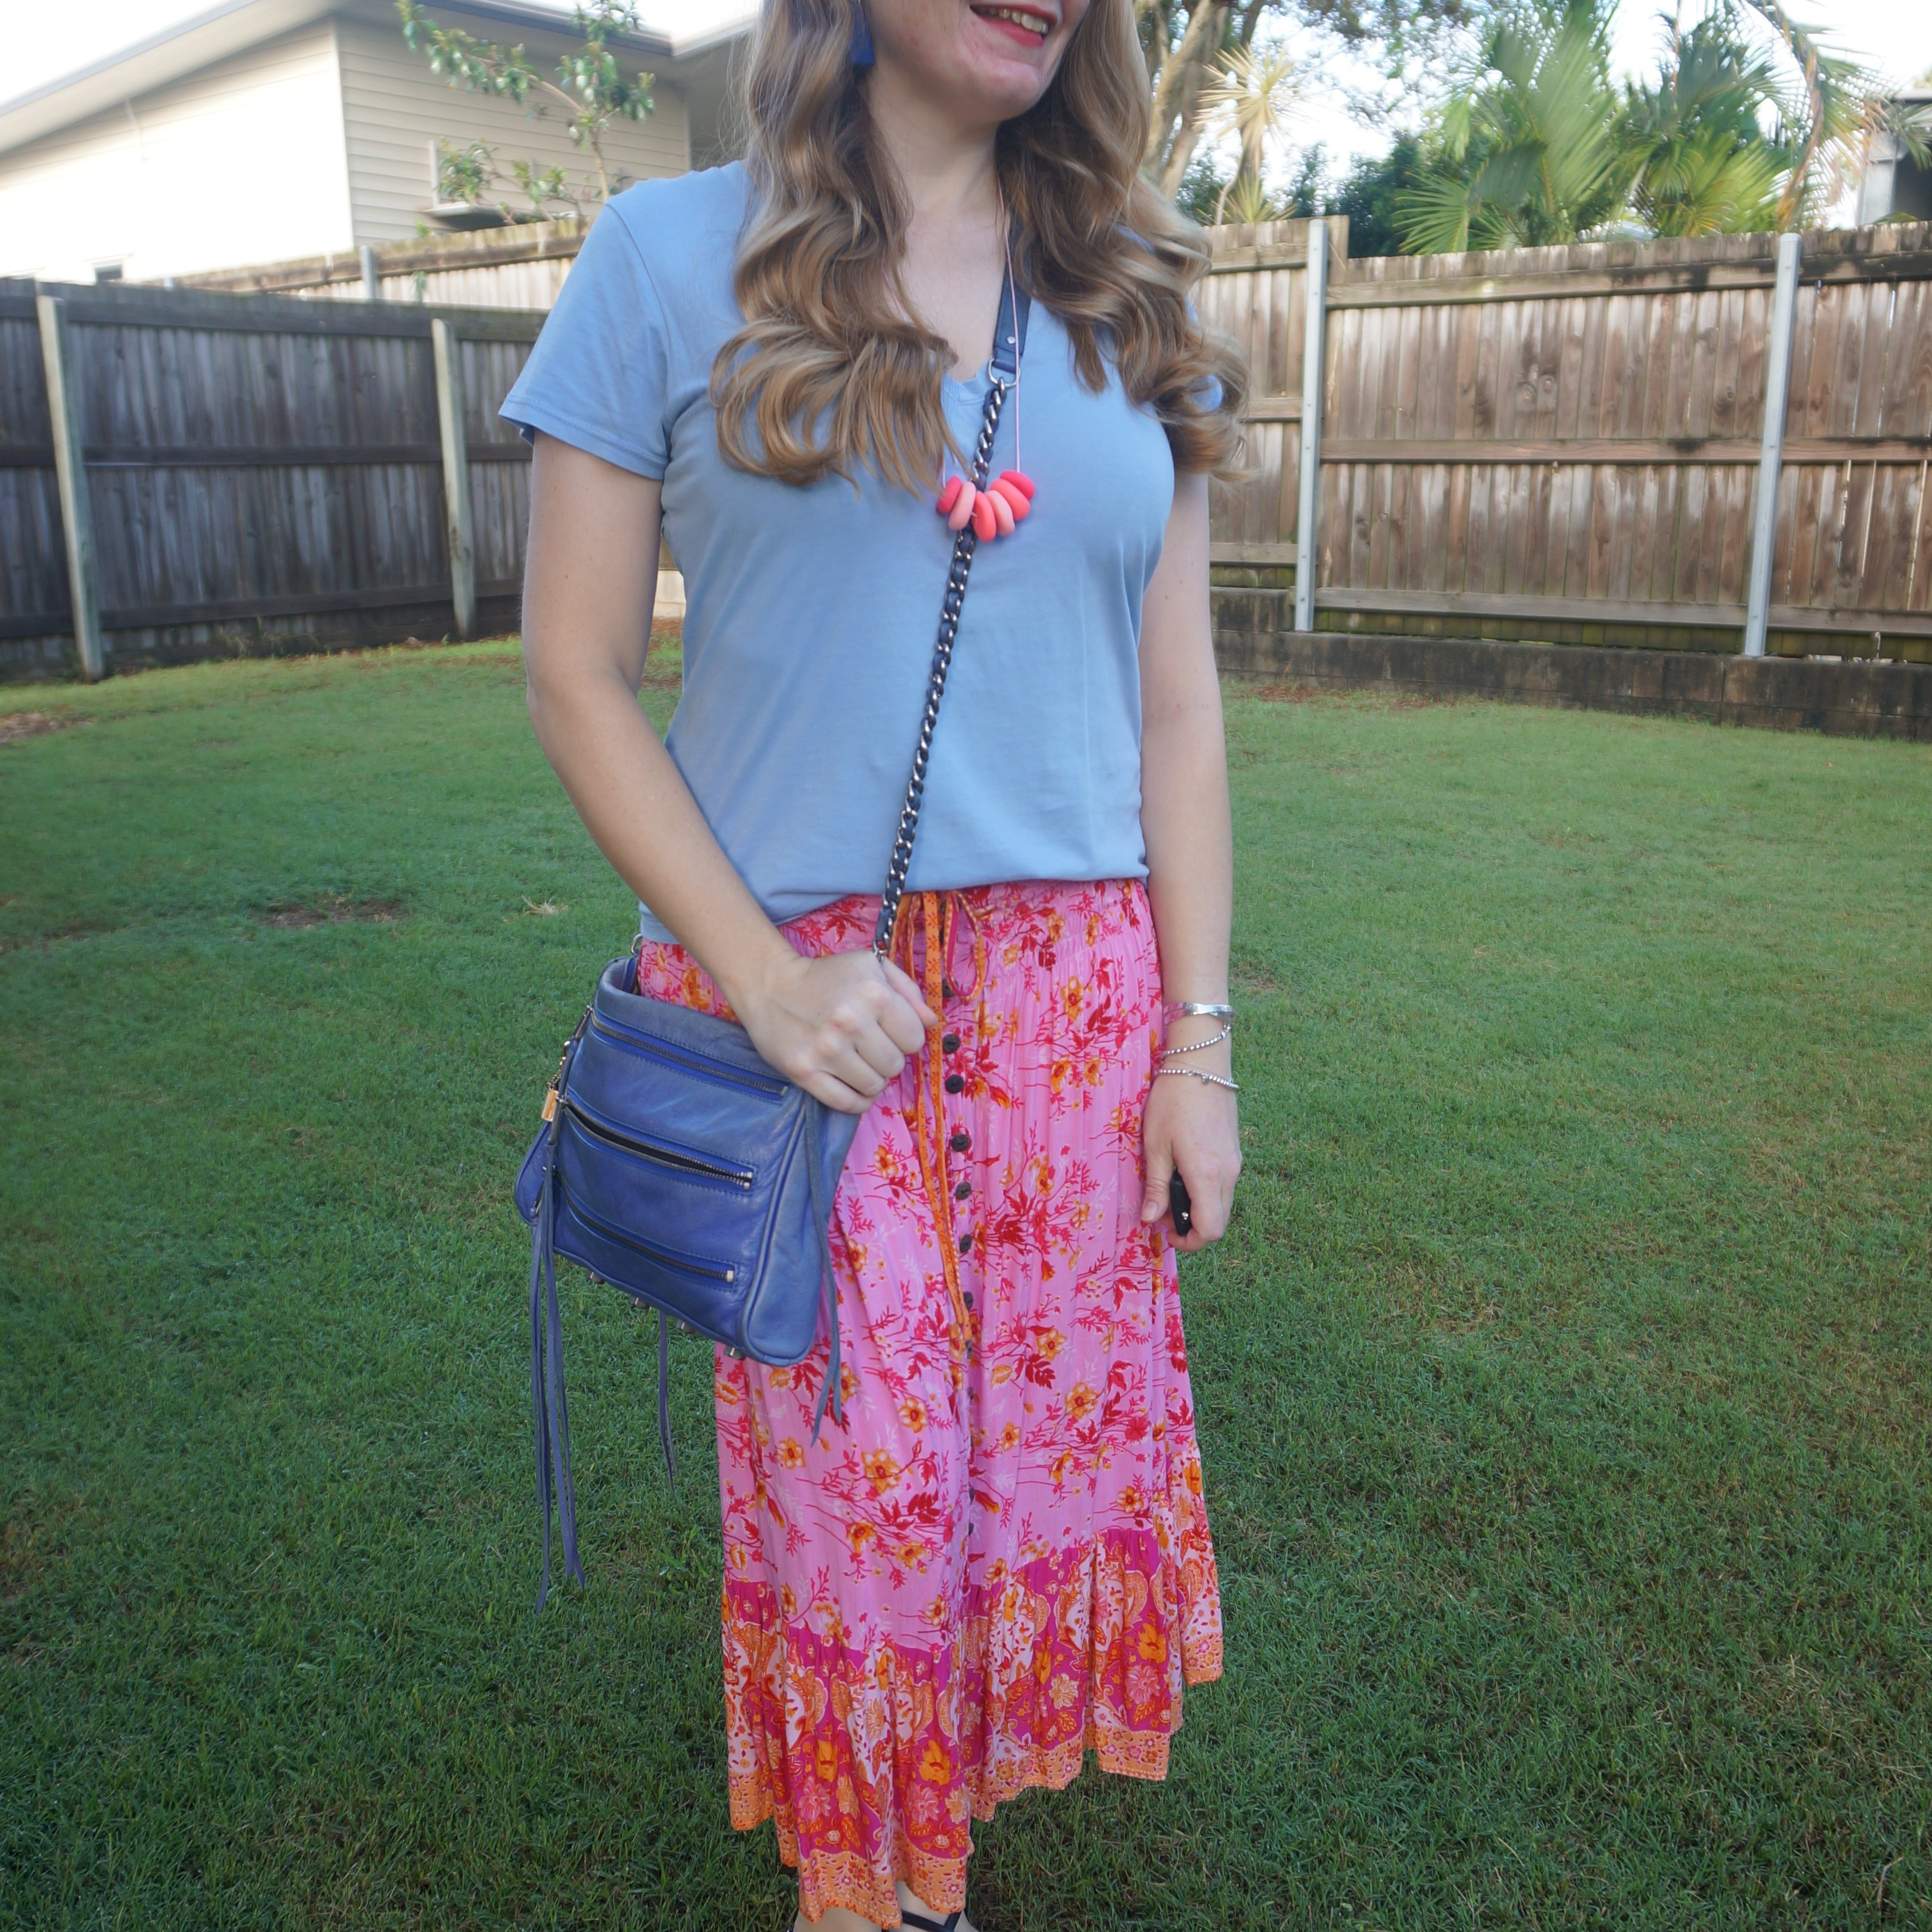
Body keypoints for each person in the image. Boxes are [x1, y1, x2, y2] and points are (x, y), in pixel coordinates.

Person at [502, 2, 1247, 1925]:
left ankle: (929, 1856)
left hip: (1081, 1011)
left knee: (1029, 1496)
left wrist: (1200, 1043)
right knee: (869, 1503)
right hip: (811, 1006)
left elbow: (1179, 716)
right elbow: (576, 669)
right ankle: (884, 1894)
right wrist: (757, 977)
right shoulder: (667, 261)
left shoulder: (1131, 294)